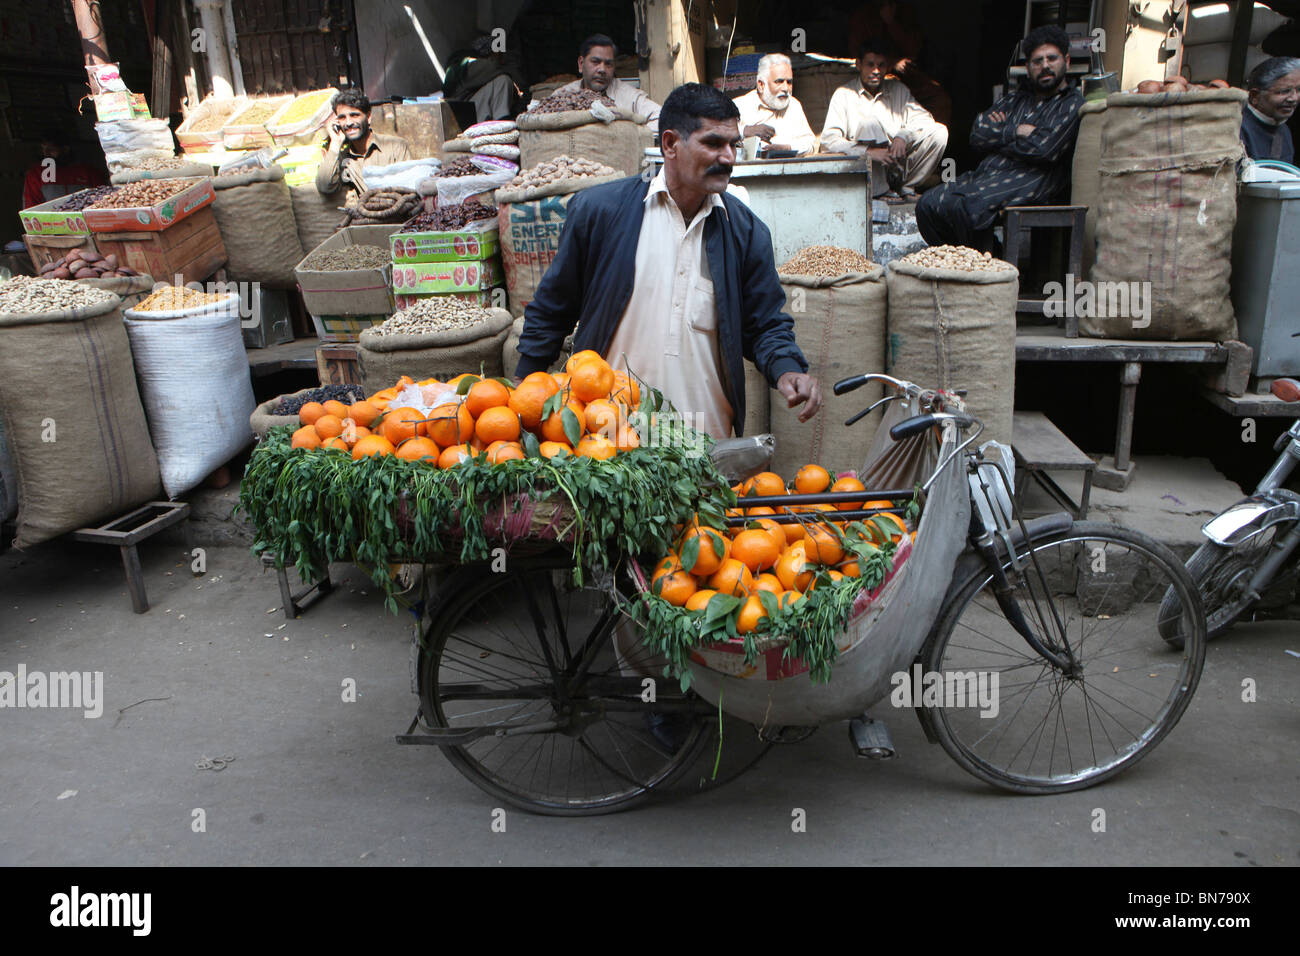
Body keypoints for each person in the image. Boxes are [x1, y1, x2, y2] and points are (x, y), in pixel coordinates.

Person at [515, 82, 822, 440]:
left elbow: (765, 324)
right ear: (670, 144)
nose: (729, 158)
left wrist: (787, 369)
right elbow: (554, 308)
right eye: (713, 143)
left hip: (702, 440)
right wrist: (523, 389)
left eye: (733, 144)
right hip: (608, 437)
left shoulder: (746, 231)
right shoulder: (601, 212)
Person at [916, 25, 1083, 252]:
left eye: (1051, 58)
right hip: (988, 175)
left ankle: (984, 266)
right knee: (927, 205)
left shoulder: (1072, 103)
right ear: (1028, 67)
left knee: (965, 206)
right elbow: (978, 134)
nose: (1045, 65)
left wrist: (1000, 136)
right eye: (1037, 61)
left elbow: (1044, 149)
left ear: (1067, 61)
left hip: (1034, 180)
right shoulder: (1016, 99)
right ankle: (980, 258)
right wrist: (1016, 131)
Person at [820, 39, 948, 199]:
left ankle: (906, 188)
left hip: (898, 164)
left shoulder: (898, 89)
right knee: (869, 122)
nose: (876, 70)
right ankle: (880, 192)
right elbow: (828, 141)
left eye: (881, 65)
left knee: (939, 131)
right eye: (870, 64)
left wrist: (903, 135)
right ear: (858, 65)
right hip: (869, 170)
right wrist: (868, 152)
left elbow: (924, 119)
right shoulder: (844, 94)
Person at [315, 89, 413, 199]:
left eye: (354, 115)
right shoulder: (343, 158)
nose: (348, 123)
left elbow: (409, 187)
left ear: (368, 117)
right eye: (342, 117)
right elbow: (325, 188)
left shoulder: (395, 146)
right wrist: (335, 143)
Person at [554, 34, 661, 133]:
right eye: (595, 62)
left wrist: (632, 137)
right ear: (581, 64)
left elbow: (661, 116)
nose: (602, 69)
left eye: (608, 64)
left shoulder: (629, 97)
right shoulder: (562, 96)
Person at [733, 53, 817, 156]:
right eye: (779, 82)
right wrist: (745, 131)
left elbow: (811, 144)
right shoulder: (739, 106)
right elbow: (716, 137)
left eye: (789, 82)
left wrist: (787, 148)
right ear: (761, 85)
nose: (785, 88)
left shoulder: (794, 105)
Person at [443, 35, 523, 122]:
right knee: (503, 80)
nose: (502, 59)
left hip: (467, 109)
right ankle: (502, 121)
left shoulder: (469, 65)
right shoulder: (474, 64)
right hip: (462, 114)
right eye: (499, 54)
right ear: (492, 54)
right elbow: (495, 68)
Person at [22, 128, 105, 209]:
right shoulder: (36, 174)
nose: (46, 154)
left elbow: (103, 202)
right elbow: (31, 208)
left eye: (51, 150)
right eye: (43, 149)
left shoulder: (89, 172)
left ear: (65, 149)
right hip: (51, 222)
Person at [1240, 56, 1300, 163]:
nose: (1294, 98)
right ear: (1255, 96)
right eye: (1284, 91)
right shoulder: (1238, 130)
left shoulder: (1283, 129)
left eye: (1298, 90)